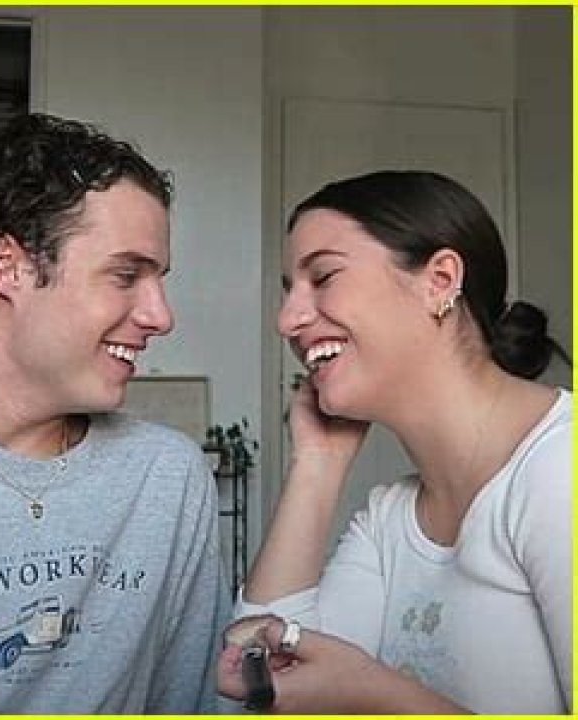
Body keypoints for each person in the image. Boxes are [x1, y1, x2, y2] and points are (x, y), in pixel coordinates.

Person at [0, 113, 233, 713]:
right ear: (7, 267)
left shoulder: (167, 478)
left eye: (158, 280)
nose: (161, 317)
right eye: (126, 275)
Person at [217, 170, 571, 714]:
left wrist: (377, 692)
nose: (287, 321)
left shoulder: (560, 469)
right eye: (289, 291)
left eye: (324, 276)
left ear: (439, 281)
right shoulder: (390, 518)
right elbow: (256, 691)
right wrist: (318, 463)